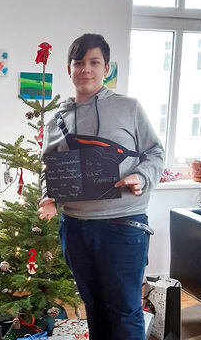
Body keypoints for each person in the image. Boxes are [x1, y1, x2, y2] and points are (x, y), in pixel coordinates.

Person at [38, 33, 164, 340]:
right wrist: (48, 197)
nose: (85, 69)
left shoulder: (129, 108)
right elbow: (48, 168)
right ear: (69, 69)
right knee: (92, 307)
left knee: (125, 310)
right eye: (78, 62)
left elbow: (155, 153)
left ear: (106, 68)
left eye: (94, 62)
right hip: (76, 228)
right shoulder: (56, 119)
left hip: (123, 225)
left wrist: (142, 177)